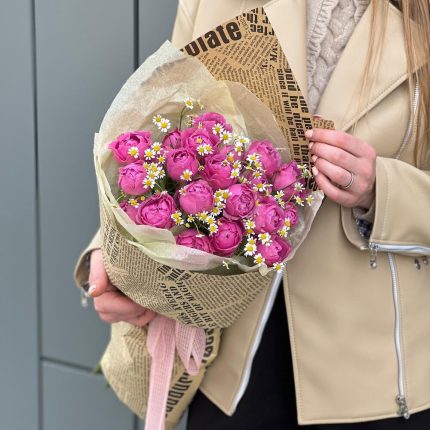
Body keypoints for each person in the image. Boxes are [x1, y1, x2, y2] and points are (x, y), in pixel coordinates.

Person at [74, 0, 430, 428]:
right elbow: (166, 129)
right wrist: (116, 252)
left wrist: (381, 188)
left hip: (371, 374)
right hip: (230, 358)